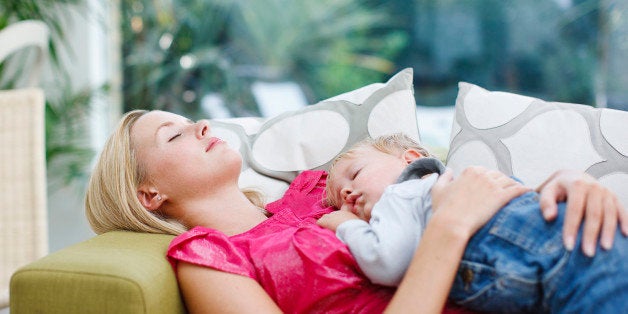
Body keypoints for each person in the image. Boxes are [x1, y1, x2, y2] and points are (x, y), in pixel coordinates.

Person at [84, 110, 626, 314]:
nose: (202, 125)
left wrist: (560, 187)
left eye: (191, 119)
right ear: (148, 194)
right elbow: (444, 217)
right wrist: (452, 227)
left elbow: (420, 188)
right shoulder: (207, 258)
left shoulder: (315, 191)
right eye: (173, 133)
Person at [319, 133, 628, 313]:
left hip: (561, 246)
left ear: (411, 160)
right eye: (338, 200)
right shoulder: (459, 185)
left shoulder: (404, 190)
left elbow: (386, 262)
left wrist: (345, 223)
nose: (346, 193)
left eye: (355, 174)